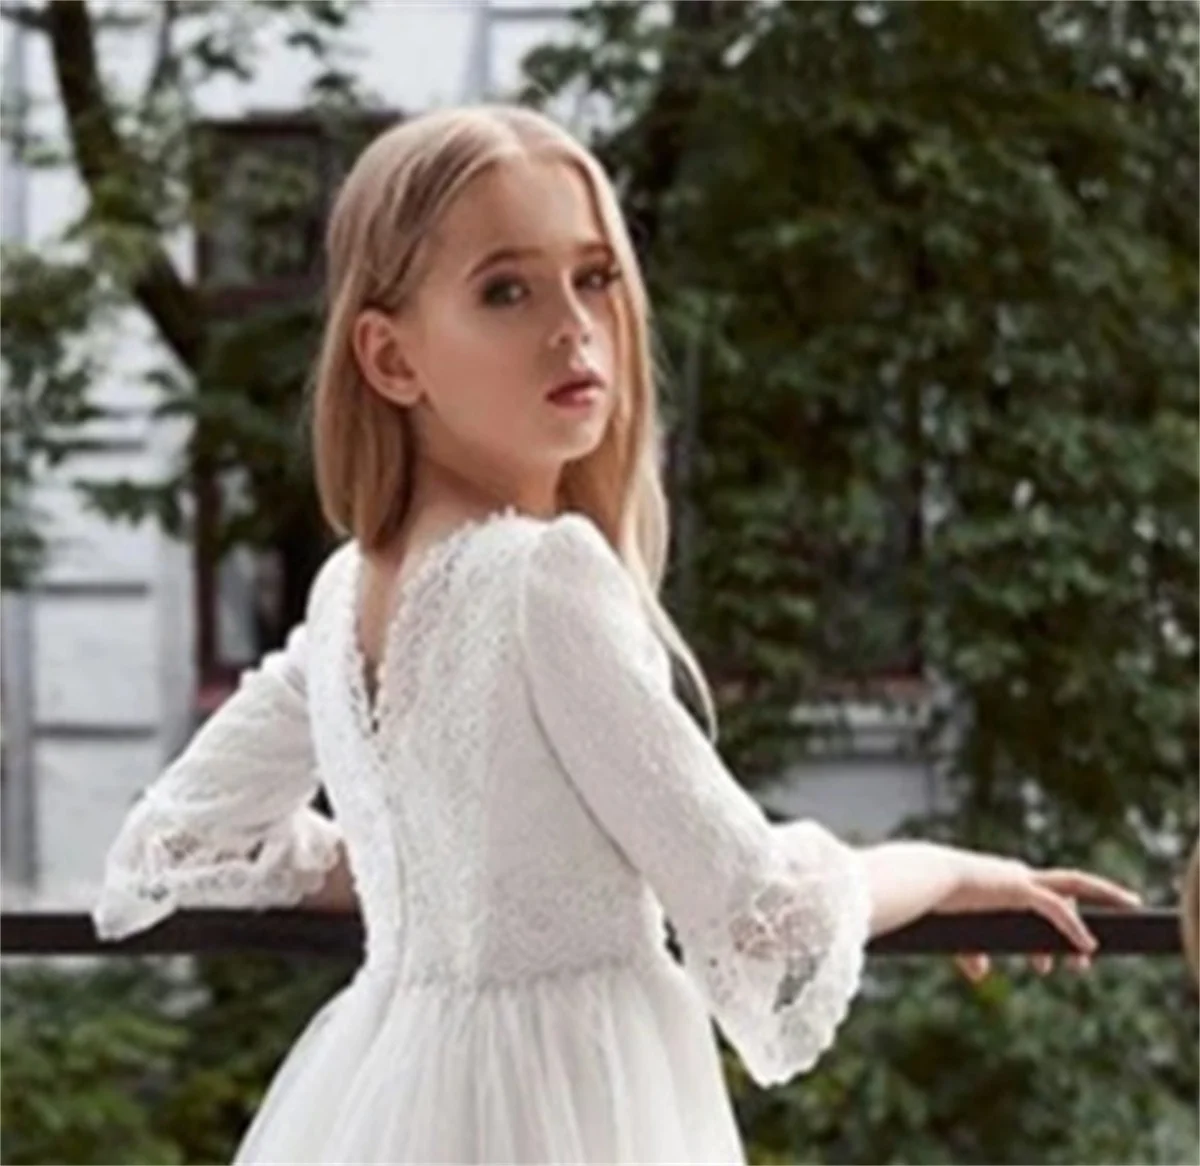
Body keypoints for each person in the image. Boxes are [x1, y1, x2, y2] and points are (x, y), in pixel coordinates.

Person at [90, 104, 1143, 1164]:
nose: (573, 325)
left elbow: (173, 846)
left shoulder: (345, 589)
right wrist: (949, 870)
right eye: (507, 289)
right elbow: (760, 914)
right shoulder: (544, 573)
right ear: (390, 356)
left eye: (593, 277)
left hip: (389, 1092)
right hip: (570, 1105)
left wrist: (434, 872)